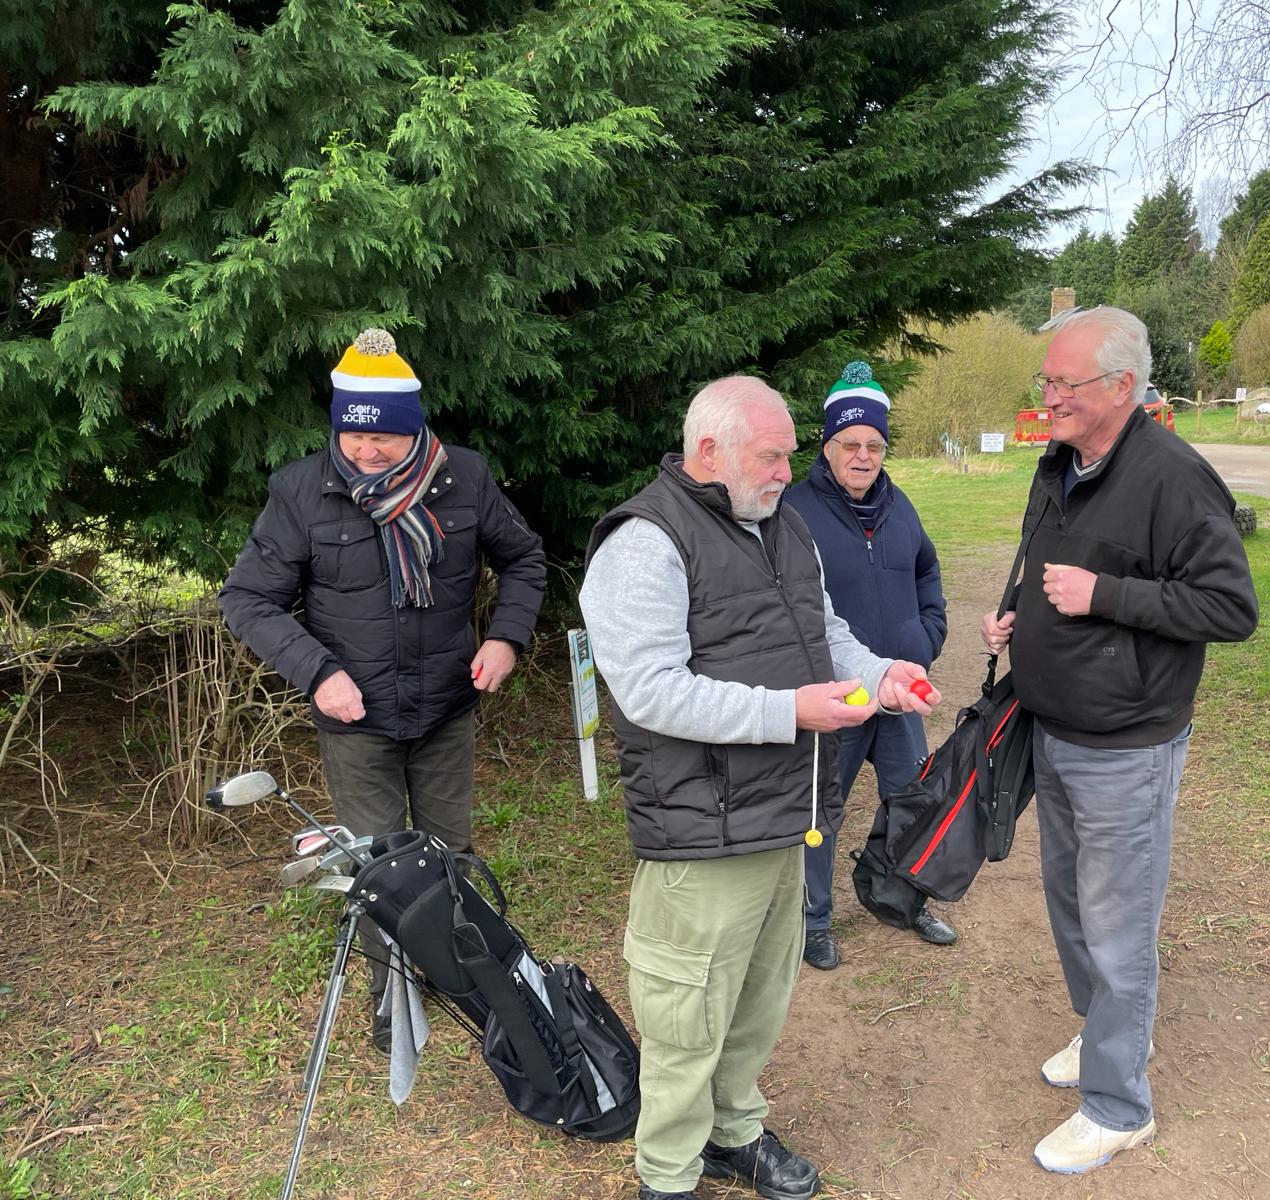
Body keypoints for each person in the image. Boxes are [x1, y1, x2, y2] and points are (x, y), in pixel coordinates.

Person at [580, 376, 940, 1200]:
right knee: (686, 1015)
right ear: (710, 451)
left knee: (756, 1000)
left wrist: (881, 678)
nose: (788, 470)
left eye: (788, 455)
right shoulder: (643, 542)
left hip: (785, 810)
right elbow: (650, 691)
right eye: (772, 456)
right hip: (701, 824)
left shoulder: (785, 528)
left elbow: (829, 633)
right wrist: (794, 712)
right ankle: (667, 1173)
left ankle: (733, 1132)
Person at [980, 308, 1257, 1175]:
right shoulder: (1059, 462)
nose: (1048, 398)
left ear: (1122, 388)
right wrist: (1015, 618)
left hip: (1126, 746)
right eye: (1046, 381)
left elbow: (1229, 608)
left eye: (1064, 384)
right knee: (1069, 906)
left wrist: (1107, 595)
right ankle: (1102, 1036)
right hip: (1052, 728)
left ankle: (1119, 1103)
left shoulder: (1174, 478)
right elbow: (1042, 564)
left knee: (1116, 922)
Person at [219, 328, 547, 1050]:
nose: (366, 452)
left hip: (445, 707)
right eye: (352, 434)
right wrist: (319, 671)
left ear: (415, 428)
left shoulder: (464, 477)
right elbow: (247, 598)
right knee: (377, 863)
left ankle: (460, 970)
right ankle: (392, 993)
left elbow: (524, 559)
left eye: (385, 440)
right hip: (355, 716)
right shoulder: (303, 490)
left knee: (449, 850)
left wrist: (506, 637)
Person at [784, 360, 954, 969]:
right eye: (850, 444)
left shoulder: (900, 507)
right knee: (821, 809)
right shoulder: (793, 513)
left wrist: (925, 634)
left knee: (912, 800)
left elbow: (927, 572)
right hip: (839, 693)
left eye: (874, 445)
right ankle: (813, 921)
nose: (863, 456)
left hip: (900, 690)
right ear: (828, 445)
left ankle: (903, 901)